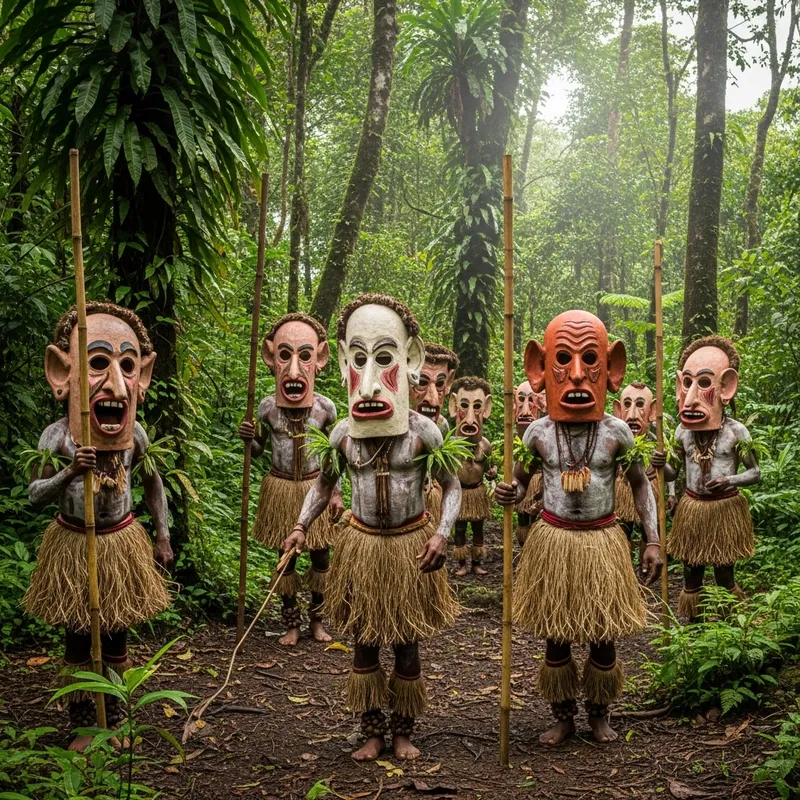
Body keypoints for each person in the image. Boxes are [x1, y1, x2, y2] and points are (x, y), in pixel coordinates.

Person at [283, 294, 461, 761]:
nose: (370, 376)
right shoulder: (342, 434)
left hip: (409, 547)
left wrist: (442, 532)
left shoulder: (424, 432)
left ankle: (403, 731)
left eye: (384, 359)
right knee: (364, 645)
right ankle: (372, 732)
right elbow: (323, 487)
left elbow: (453, 486)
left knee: (405, 644)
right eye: (359, 360)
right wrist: (301, 526)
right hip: (361, 546)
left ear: (409, 362)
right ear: (343, 364)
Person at [495, 310, 662, 745]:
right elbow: (516, 477)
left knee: (604, 635)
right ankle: (563, 716)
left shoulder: (617, 433)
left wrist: (654, 539)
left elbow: (642, 487)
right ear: (539, 370)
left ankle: (600, 715)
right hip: (553, 541)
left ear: (611, 370)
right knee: (556, 635)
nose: (575, 376)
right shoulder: (537, 433)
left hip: (603, 541)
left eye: (590, 360)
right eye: (562, 361)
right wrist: (508, 490)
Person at [24, 302, 172, 751]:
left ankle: (116, 716)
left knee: (116, 635)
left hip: (119, 544)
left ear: (141, 378)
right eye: (96, 363)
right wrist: (70, 471)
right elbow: (34, 494)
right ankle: (85, 722)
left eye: (127, 366)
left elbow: (152, 485)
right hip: (72, 546)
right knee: (76, 637)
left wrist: (162, 534)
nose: (115, 382)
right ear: (61, 373)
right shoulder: (56, 438)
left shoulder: (136, 435)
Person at [239, 313, 343, 646]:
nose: (294, 368)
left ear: (319, 360)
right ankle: (291, 624)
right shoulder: (267, 408)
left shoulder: (325, 409)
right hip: (280, 488)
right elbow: (256, 451)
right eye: (284, 355)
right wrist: (249, 439)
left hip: (316, 487)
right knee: (286, 561)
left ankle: (317, 620)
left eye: (305, 356)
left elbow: (333, 457)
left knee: (321, 559)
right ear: (272, 359)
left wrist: (337, 493)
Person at [668, 336, 759, 621]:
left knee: (723, 572)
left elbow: (756, 473)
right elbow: (672, 471)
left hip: (724, 510)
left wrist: (730, 480)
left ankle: (731, 626)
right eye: (687, 383)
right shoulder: (682, 432)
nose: (693, 395)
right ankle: (694, 626)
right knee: (692, 572)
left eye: (705, 383)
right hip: (692, 508)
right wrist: (657, 467)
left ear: (725, 388)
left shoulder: (737, 432)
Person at [449, 376, 496, 575]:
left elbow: (490, 468)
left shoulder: (485, 445)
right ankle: (461, 565)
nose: (469, 417)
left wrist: (492, 472)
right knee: (459, 528)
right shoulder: (450, 444)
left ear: (486, 409)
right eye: (464, 406)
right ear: (454, 407)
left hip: (477, 494)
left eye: (477, 406)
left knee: (478, 528)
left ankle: (477, 564)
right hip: (459, 493)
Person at [409, 342, 459, 523]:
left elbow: (450, 480)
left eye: (439, 384)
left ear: (449, 383)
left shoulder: (442, 426)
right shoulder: (386, 425)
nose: (432, 399)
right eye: (421, 382)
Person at [513, 380, 546, 545]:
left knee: (538, 523)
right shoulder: (513, 437)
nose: (526, 409)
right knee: (523, 520)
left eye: (531, 400)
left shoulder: (548, 434)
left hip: (541, 486)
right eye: (521, 399)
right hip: (522, 482)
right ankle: (524, 553)